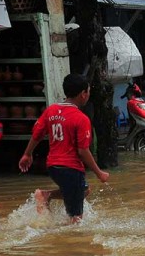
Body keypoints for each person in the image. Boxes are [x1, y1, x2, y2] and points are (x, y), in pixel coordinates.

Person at [18, 73, 110, 222]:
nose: (88, 95)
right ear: (83, 94)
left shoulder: (51, 111)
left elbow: (37, 134)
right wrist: (99, 173)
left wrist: (27, 154)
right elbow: (82, 151)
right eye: (88, 92)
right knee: (76, 221)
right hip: (71, 169)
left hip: (53, 167)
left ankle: (46, 195)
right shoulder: (81, 119)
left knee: (84, 190)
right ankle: (68, 242)